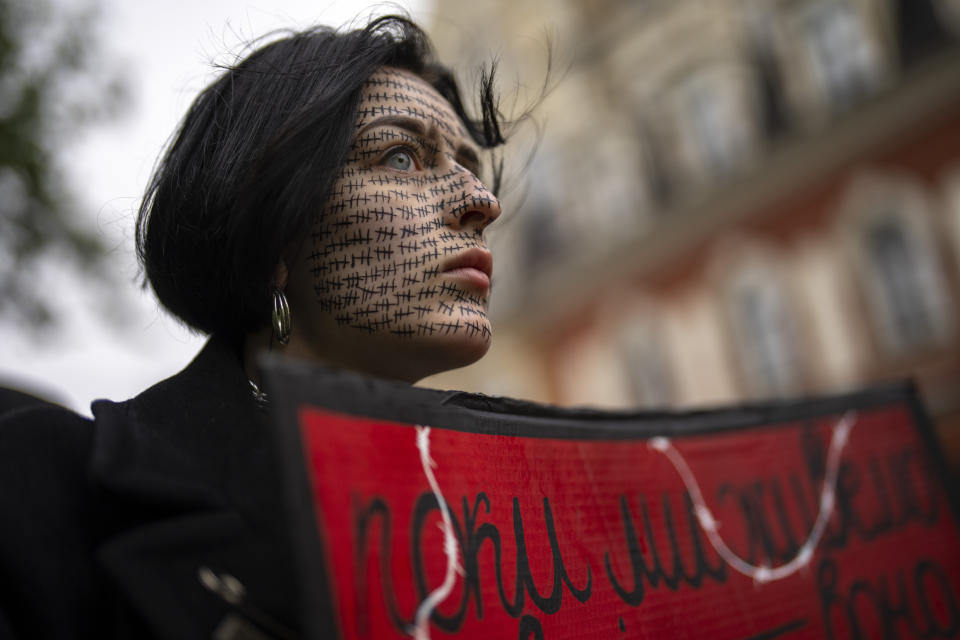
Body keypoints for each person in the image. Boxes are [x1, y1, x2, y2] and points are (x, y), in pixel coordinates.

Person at [0, 15, 504, 639]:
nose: (481, 201)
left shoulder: (517, 530)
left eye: (468, 166)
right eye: (400, 155)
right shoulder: (42, 494)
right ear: (275, 235)